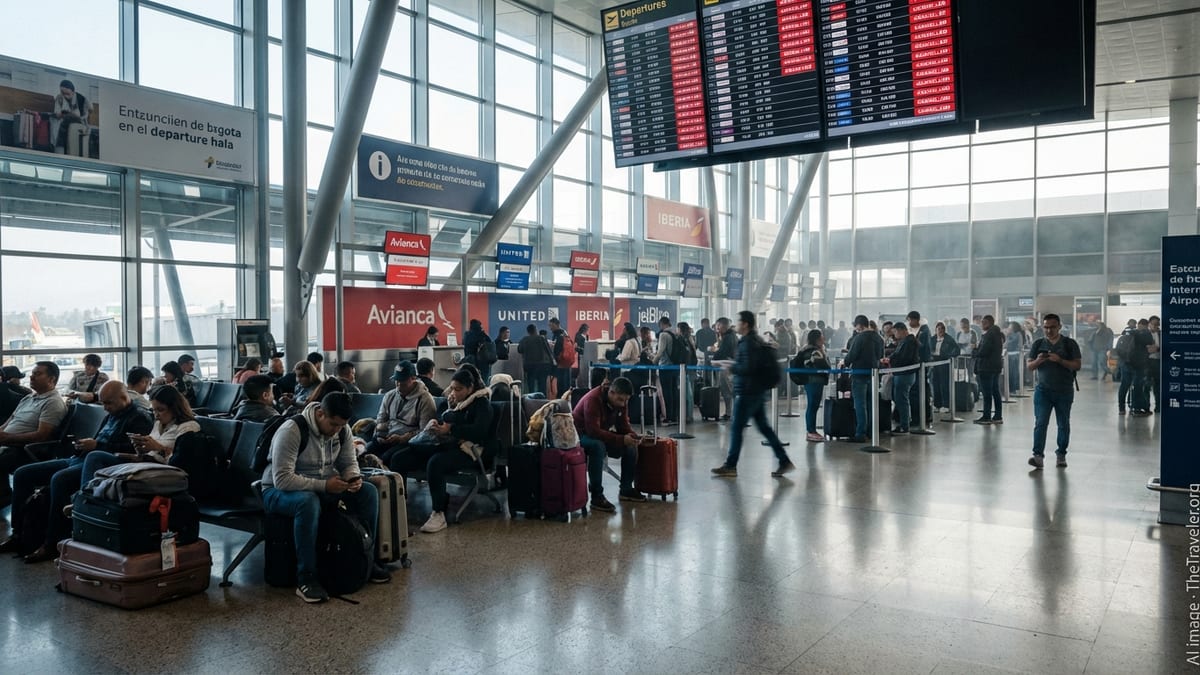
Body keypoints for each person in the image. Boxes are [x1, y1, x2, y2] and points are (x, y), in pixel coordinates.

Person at [260, 392, 391, 602]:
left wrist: (353, 478)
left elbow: (348, 462)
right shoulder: (291, 430)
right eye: (333, 424)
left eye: (341, 426)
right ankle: (306, 577)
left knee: (368, 492)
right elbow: (282, 480)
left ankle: (366, 559)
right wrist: (324, 486)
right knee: (307, 502)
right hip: (277, 492)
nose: (336, 430)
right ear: (320, 413)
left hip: (321, 487)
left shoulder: (342, 430)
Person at [5, 380, 152, 563]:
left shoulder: (140, 418)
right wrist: (84, 445)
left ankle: (53, 542)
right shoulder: (112, 414)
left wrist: (98, 445)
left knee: (59, 480)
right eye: (103, 402)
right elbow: (98, 440)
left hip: (103, 465)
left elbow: (132, 451)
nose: (105, 408)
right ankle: (19, 534)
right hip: (82, 458)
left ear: (123, 398)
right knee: (23, 473)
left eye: (108, 403)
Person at [389, 365, 493, 535]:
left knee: (435, 463)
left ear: (470, 388)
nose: (454, 392)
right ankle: (397, 506)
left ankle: (439, 512)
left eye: (459, 389)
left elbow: (479, 432)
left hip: (468, 449)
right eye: (453, 388)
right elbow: (441, 416)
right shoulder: (451, 402)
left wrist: (450, 429)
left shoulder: (481, 404)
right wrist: (439, 424)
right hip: (443, 443)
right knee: (400, 458)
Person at [711, 312, 794, 478]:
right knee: (764, 427)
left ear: (746, 324)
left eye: (739, 321)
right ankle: (784, 460)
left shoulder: (747, 343)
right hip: (757, 390)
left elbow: (748, 368)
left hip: (747, 391)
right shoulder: (757, 340)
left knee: (736, 428)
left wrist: (731, 367)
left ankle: (730, 465)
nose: (737, 325)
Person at [87, 385, 200, 478]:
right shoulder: (158, 424)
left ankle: (85, 497)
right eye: (154, 410)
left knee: (96, 457)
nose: (156, 415)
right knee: (96, 460)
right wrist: (141, 450)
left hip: (165, 473)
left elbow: (180, 464)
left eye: (160, 410)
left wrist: (158, 448)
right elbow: (151, 453)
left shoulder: (188, 428)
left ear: (175, 408)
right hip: (145, 464)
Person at [572, 376, 646, 513]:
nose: (623, 404)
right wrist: (621, 439)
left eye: (626, 400)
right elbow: (593, 432)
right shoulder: (593, 399)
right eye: (620, 400)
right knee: (597, 446)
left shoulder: (620, 401)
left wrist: (633, 436)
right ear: (611, 392)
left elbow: (623, 426)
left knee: (631, 446)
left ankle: (626, 489)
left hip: (599, 433)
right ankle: (596, 495)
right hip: (579, 436)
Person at [0, 362, 68, 508]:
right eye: (32, 373)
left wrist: (7, 438)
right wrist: (2, 434)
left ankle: (4, 497)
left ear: (52, 379)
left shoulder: (53, 403)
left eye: (37, 374)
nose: (31, 376)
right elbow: (8, 423)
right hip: (8, 443)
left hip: (26, 450)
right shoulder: (28, 398)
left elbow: (42, 436)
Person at [1026, 314, 1082, 469]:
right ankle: (1037, 456)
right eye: (1046, 327)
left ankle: (1061, 454)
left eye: (1052, 327)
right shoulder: (1038, 344)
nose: (1049, 330)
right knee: (1040, 423)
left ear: (1059, 327)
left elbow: (1077, 365)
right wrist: (1039, 360)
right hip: (1043, 390)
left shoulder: (1069, 344)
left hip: (1064, 390)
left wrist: (1060, 360)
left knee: (1063, 423)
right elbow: (1030, 366)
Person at [365, 361, 436, 465]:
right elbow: (381, 419)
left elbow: (425, 432)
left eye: (402, 380)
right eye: (396, 380)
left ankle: (393, 480)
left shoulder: (425, 399)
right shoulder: (390, 396)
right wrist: (381, 433)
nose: (399, 384)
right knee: (366, 451)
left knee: (390, 458)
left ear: (413, 378)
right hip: (389, 437)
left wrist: (403, 438)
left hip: (411, 443)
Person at [843, 314, 884, 443]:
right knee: (872, 403)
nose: (855, 329)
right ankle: (872, 431)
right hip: (873, 374)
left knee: (860, 404)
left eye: (856, 327)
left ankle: (860, 433)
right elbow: (880, 355)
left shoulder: (859, 338)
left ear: (859, 325)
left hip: (859, 374)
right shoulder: (879, 338)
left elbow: (852, 355)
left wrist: (845, 362)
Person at [793, 329, 830, 442]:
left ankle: (811, 430)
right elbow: (824, 366)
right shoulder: (813, 351)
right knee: (813, 406)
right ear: (817, 339)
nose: (823, 338)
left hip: (812, 381)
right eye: (822, 336)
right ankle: (811, 431)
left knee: (813, 406)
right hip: (814, 381)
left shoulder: (808, 349)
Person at [885, 323, 919, 434]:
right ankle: (904, 422)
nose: (894, 335)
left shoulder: (909, 342)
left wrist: (891, 361)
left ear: (902, 330)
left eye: (895, 332)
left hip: (904, 374)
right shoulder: (905, 342)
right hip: (902, 373)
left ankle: (905, 425)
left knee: (901, 399)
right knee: (899, 398)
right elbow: (897, 354)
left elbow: (903, 358)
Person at [972, 315, 1004, 425]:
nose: (981, 324)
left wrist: (975, 351)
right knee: (995, 391)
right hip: (995, 367)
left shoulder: (989, 335)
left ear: (989, 323)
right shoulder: (997, 334)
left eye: (984, 322)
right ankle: (998, 416)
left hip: (986, 367)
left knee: (987, 393)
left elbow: (984, 351)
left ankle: (986, 416)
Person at [710, 317, 739, 420]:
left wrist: (713, 358)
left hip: (728, 366)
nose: (717, 328)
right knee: (729, 390)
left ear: (724, 326)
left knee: (729, 390)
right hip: (730, 365)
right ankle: (730, 412)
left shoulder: (728, 337)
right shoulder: (730, 336)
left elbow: (723, 351)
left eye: (718, 325)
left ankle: (731, 413)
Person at [1125, 319, 1156, 417]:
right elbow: (1150, 342)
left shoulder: (1132, 334)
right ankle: (1137, 408)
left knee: (1135, 386)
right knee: (1138, 386)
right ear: (1146, 325)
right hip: (1139, 363)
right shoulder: (1145, 334)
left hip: (1131, 362)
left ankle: (1135, 406)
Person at [52, 79, 90, 155]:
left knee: (68, 121)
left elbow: (84, 116)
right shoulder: (59, 97)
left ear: (73, 92)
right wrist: (63, 114)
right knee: (58, 122)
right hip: (63, 119)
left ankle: (61, 148)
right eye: (63, 93)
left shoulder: (81, 99)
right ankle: (59, 148)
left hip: (79, 121)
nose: (65, 96)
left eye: (67, 94)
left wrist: (72, 114)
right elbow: (57, 113)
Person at [655, 316, 680, 426]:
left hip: (665, 367)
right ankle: (675, 416)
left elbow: (660, 351)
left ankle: (669, 417)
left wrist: (653, 362)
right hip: (676, 367)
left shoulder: (663, 334)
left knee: (667, 392)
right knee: (674, 391)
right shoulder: (676, 333)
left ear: (661, 324)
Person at [930, 322, 960, 412]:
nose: (940, 331)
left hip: (944, 363)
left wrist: (949, 356)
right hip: (934, 363)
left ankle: (946, 405)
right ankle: (937, 404)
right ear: (935, 330)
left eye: (942, 329)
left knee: (944, 384)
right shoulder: (932, 339)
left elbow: (957, 350)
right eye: (938, 329)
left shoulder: (949, 339)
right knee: (935, 384)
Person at [518, 323, 554, 395]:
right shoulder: (541, 338)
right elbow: (548, 351)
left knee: (531, 384)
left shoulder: (524, 339)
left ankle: (530, 400)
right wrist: (552, 362)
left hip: (529, 366)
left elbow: (519, 350)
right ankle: (542, 400)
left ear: (528, 331)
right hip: (543, 365)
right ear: (536, 330)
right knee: (542, 385)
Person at [677, 322, 698, 424]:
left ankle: (688, 416)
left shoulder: (683, 340)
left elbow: (684, 356)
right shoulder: (690, 340)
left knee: (687, 394)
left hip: (685, 370)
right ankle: (689, 415)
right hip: (691, 369)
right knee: (690, 394)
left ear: (680, 330)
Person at [549, 318, 573, 397]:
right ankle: (565, 400)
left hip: (560, 362)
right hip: (566, 362)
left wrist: (555, 356)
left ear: (557, 324)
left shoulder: (558, 335)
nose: (550, 327)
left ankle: (561, 402)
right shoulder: (565, 333)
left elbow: (558, 349)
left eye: (551, 325)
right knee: (565, 384)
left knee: (561, 385)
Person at [1146, 315, 1161, 413]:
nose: (1156, 326)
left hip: (1158, 362)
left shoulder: (1161, 334)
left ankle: (1158, 406)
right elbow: (1145, 349)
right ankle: (1146, 406)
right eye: (1154, 324)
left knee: (1158, 386)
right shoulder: (1145, 334)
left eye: (1157, 324)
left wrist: (1155, 349)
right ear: (1149, 324)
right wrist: (1152, 349)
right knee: (1146, 385)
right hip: (1147, 362)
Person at [1005, 323, 1025, 395]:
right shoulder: (1008, 335)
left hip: (1014, 356)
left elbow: (1008, 344)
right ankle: (1009, 389)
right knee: (1009, 373)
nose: (1008, 328)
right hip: (1008, 355)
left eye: (1010, 327)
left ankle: (1013, 389)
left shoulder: (1018, 334)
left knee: (1013, 373)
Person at [574, 323, 590, 387]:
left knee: (586, 369)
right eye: (587, 330)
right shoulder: (578, 335)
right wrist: (582, 350)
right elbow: (576, 346)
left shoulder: (587, 336)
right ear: (584, 329)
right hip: (581, 355)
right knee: (581, 370)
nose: (588, 331)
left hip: (587, 354)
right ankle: (581, 384)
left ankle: (586, 383)